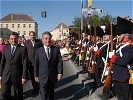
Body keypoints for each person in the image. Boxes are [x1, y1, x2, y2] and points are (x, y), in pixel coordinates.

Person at [34, 31, 63, 100]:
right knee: (43, 95)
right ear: (42, 39)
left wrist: (59, 73)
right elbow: (36, 64)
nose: (48, 40)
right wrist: (35, 75)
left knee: (51, 95)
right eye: (46, 39)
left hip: (52, 76)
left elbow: (59, 62)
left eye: (49, 38)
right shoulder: (38, 51)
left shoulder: (56, 49)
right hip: (42, 77)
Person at [0, 32, 28, 100]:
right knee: (4, 93)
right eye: (12, 39)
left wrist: (24, 76)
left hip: (17, 75)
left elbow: (24, 64)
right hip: (6, 75)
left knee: (18, 95)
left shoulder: (22, 49)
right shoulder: (5, 48)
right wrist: (0, 75)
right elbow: (2, 62)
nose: (13, 40)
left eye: (15, 39)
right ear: (9, 39)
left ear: (17, 39)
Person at [111, 34, 133, 100]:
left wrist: (114, 59)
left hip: (124, 77)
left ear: (127, 38)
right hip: (117, 76)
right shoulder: (120, 47)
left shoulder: (130, 47)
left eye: (121, 35)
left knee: (125, 97)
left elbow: (124, 61)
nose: (119, 36)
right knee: (119, 97)